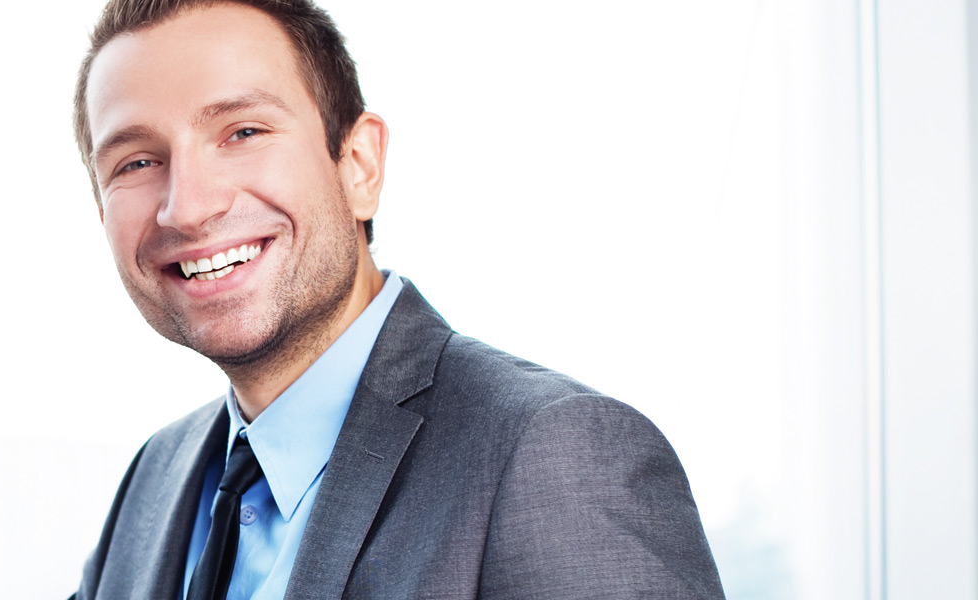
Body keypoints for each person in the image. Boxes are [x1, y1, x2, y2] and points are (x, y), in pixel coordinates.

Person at [67, 1, 725, 598]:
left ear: (359, 165)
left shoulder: (552, 457)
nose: (186, 207)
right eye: (136, 163)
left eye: (243, 132)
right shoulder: (154, 479)